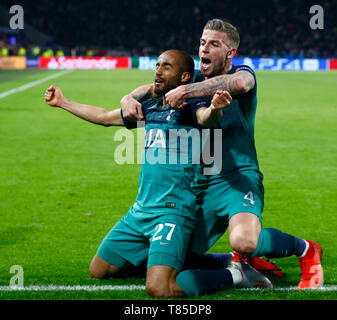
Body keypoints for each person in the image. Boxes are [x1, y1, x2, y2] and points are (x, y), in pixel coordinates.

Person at [44, 49, 272, 298]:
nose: (158, 70)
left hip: (172, 213)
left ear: (185, 76)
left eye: (166, 66)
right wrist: (63, 103)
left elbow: (206, 119)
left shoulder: (191, 107)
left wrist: (215, 108)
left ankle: (236, 275)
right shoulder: (150, 107)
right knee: (99, 270)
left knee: (160, 288)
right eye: (157, 64)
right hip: (140, 212)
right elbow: (105, 117)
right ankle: (224, 260)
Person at [121, 19, 323, 291]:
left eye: (214, 44)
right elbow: (148, 90)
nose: (204, 49)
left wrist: (186, 91)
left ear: (230, 53)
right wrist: (128, 98)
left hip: (237, 178)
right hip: (201, 183)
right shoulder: (190, 77)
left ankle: (306, 250)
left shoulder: (242, 72)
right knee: (178, 257)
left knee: (245, 240)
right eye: (202, 42)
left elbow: (239, 83)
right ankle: (237, 262)